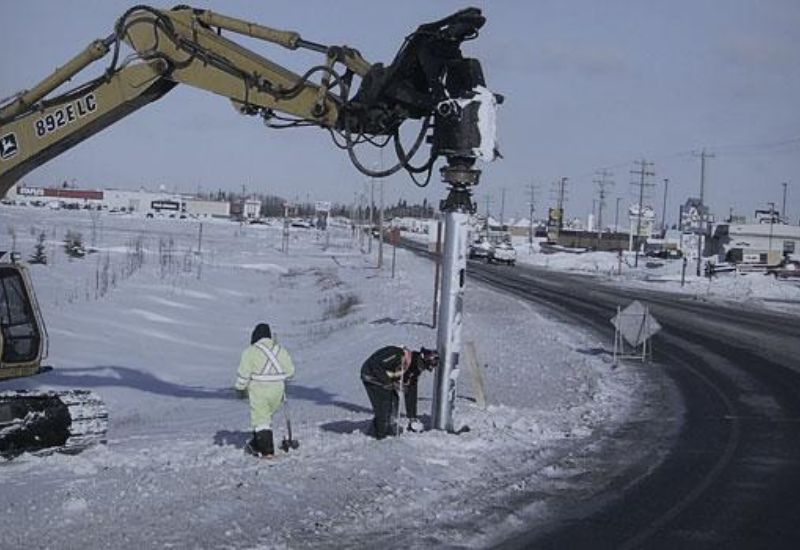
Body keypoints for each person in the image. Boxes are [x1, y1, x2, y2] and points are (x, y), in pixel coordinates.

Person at [235, 323, 295, 457]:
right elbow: (290, 372)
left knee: (261, 418)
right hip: (278, 391)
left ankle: (266, 450)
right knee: (266, 417)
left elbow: (244, 373)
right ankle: (257, 442)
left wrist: (240, 387)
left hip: (259, 389)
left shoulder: (250, 351)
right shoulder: (280, 350)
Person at [360, 345, 439, 439]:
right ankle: (379, 437)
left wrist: (412, 417)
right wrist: (389, 383)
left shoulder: (413, 370)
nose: (421, 369)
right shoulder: (398, 355)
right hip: (371, 375)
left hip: (385, 380)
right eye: (423, 366)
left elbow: (411, 392)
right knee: (385, 404)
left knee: (394, 403)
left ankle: (388, 429)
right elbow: (375, 364)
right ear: (420, 359)